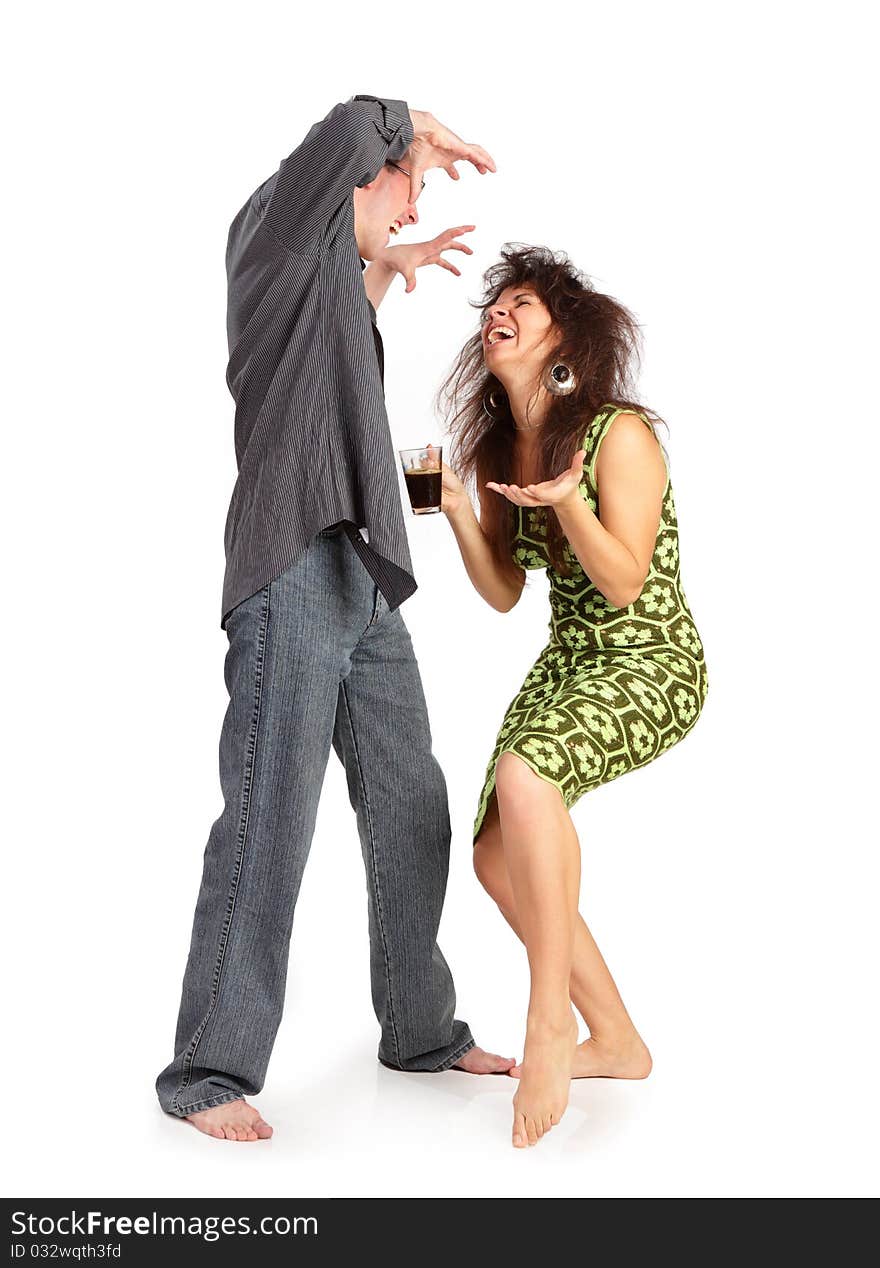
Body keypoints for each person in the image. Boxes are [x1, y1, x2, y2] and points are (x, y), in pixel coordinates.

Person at [155, 95, 515, 1144]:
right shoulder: (272, 228)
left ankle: (418, 1029)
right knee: (272, 816)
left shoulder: (328, 287)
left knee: (412, 802)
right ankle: (206, 1068)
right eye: (406, 182)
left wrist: (383, 274)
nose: (413, 205)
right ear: (363, 174)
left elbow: (334, 376)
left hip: (361, 572)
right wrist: (417, 121)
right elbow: (346, 130)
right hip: (291, 566)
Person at [438, 244, 710, 1149]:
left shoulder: (618, 433)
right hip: (569, 660)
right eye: (493, 307)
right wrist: (455, 512)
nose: (498, 315)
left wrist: (568, 502)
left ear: (565, 336)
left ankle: (549, 1021)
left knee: (526, 779)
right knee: (491, 858)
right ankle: (620, 1041)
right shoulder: (496, 449)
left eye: (521, 304)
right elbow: (507, 592)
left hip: (650, 658)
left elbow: (628, 582)